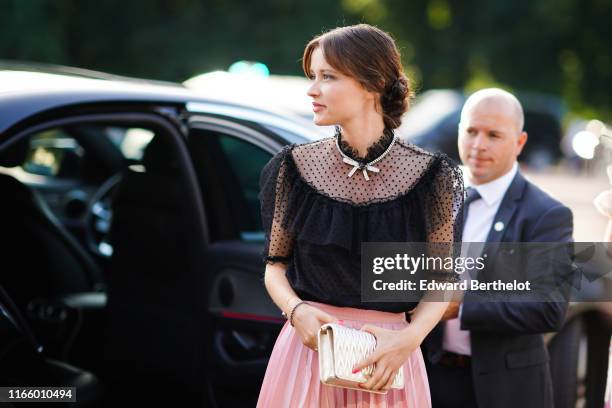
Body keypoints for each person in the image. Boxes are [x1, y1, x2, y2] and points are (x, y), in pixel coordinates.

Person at [256, 24, 464, 407]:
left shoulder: (432, 176)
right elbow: (275, 266)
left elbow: (441, 282)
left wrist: (409, 338)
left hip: (389, 358)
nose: (312, 89)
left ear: (373, 83)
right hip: (307, 357)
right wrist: (296, 310)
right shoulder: (294, 167)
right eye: (313, 77)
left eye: (328, 77)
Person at [423, 88, 574, 408]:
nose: (479, 144)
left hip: (506, 390)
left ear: (519, 143)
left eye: (493, 135)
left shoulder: (546, 215)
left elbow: (548, 308)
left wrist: (461, 307)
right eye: (472, 131)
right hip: (430, 379)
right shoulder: (432, 198)